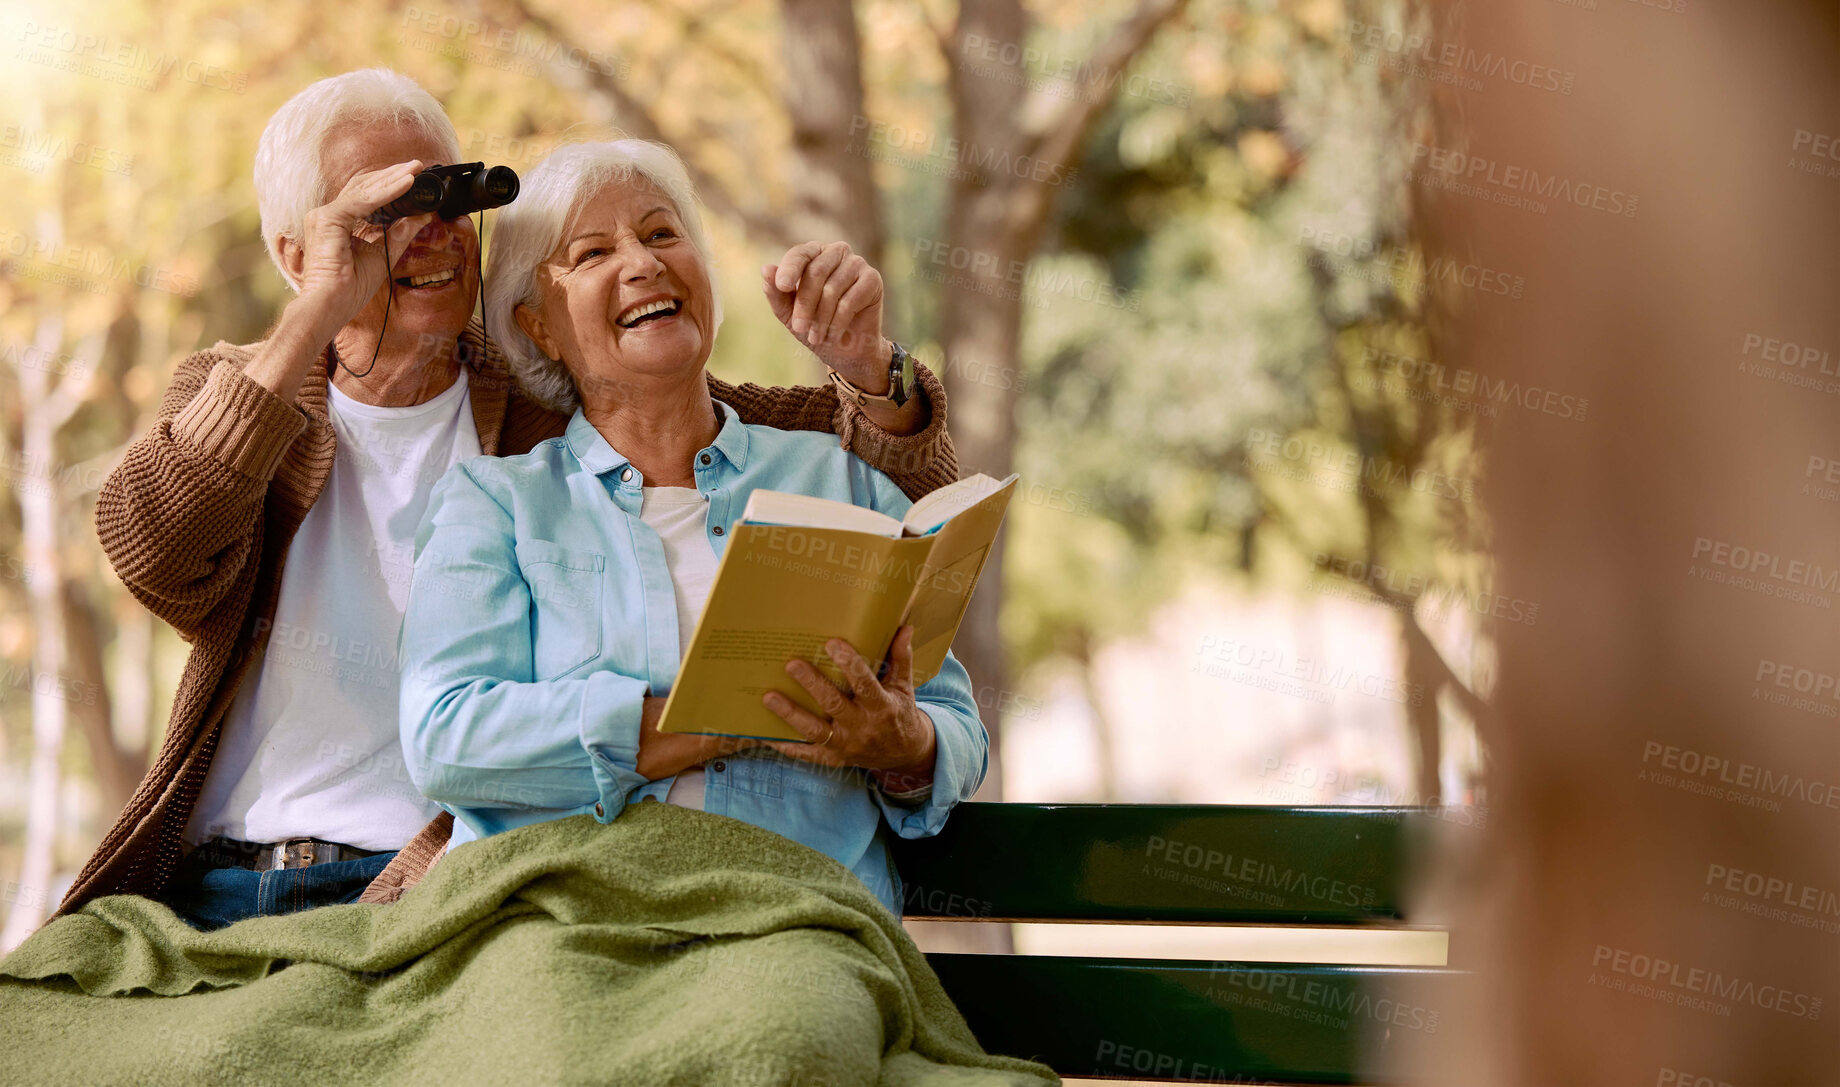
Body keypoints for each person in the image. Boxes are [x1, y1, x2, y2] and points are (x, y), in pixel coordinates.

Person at [66, 69, 957, 930]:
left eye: (452, 198)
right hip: (228, 874)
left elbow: (837, 453)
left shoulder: (542, 402)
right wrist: (315, 312)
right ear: (296, 252)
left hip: (427, 886)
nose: (434, 231)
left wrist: (878, 372)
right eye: (387, 211)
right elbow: (155, 552)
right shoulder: (243, 393)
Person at [396, 139, 987, 916]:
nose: (642, 263)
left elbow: (957, 725)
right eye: (595, 251)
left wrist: (905, 746)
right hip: (567, 914)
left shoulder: (835, 477)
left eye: (663, 233)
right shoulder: (497, 501)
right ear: (539, 328)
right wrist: (710, 720)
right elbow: (449, 736)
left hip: (794, 914)